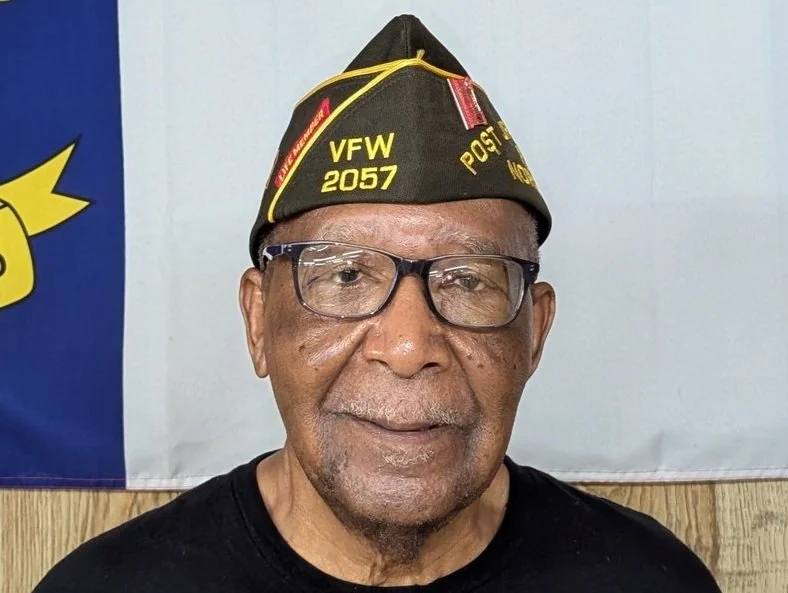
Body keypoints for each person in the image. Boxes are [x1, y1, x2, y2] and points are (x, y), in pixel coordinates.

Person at [34, 14, 721, 592]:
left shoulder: (650, 580)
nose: (408, 345)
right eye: (346, 276)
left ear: (534, 332)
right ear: (257, 321)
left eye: (467, 281)